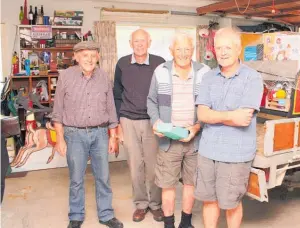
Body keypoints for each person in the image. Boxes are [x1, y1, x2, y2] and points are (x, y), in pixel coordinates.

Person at [194, 27, 264, 228]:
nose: (222, 52)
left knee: (231, 203)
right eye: (218, 47)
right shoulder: (208, 77)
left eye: (227, 47)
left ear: (238, 49)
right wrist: (230, 115)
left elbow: (243, 119)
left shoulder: (252, 78)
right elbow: (202, 114)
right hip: (208, 151)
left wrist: (214, 116)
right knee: (209, 200)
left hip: (235, 154)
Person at [52, 41, 123, 228]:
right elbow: (57, 111)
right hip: (74, 134)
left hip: (100, 133)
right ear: (76, 57)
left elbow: (111, 109)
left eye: (93, 55)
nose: (90, 59)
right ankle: (76, 215)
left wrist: (113, 136)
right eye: (85, 55)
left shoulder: (104, 76)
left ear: (98, 57)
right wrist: (60, 138)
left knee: (103, 176)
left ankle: (106, 214)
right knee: (76, 177)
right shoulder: (65, 77)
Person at [147, 33, 210, 228]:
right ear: (171, 51)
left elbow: (209, 104)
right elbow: (151, 101)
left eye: (187, 49)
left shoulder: (205, 72)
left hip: (195, 138)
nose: (183, 53)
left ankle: (186, 222)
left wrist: (197, 126)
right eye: (179, 49)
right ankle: (168, 224)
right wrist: (156, 122)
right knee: (168, 184)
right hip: (168, 140)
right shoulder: (161, 71)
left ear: (193, 51)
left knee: (190, 183)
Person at [113, 29, 165, 222]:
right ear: (130, 43)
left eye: (143, 41)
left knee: (153, 166)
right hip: (128, 120)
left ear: (149, 42)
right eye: (136, 41)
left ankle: (156, 205)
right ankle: (141, 204)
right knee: (135, 166)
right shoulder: (122, 64)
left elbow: (166, 93)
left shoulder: (160, 63)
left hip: (153, 121)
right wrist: (118, 123)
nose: (140, 44)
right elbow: (117, 94)